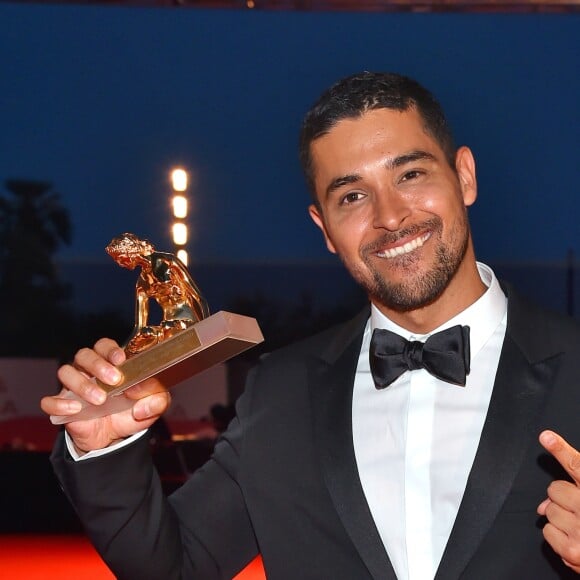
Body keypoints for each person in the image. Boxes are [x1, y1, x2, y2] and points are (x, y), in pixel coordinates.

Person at [41, 72, 580, 580]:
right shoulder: (281, 392)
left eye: (410, 174)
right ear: (323, 227)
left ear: (464, 176)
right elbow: (173, 566)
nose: (390, 215)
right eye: (352, 195)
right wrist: (105, 447)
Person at [105, 232, 210, 356]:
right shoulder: (141, 283)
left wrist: (207, 326)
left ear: (130, 252)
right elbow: (139, 326)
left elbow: (196, 296)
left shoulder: (168, 261)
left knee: (169, 330)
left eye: (120, 258)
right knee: (147, 334)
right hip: (167, 324)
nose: (120, 263)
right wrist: (124, 350)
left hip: (188, 321)